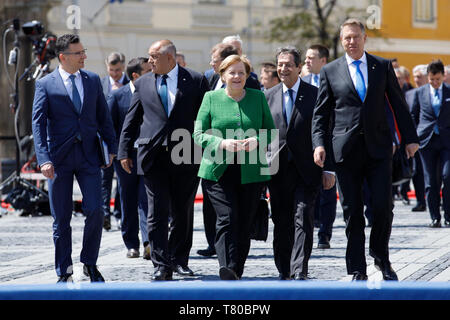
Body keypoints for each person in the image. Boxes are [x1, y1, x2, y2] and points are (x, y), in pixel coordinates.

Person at [311, 19, 419, 281]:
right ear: (341, 40)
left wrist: (410, 138)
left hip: (379, 148)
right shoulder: (331, 71)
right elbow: (321, 113)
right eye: (346, 38)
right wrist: (319, 144)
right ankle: (357, 267)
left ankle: (380, 255)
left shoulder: (381, 66)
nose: (351, 42)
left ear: (364, 38)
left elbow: (398, 103)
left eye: (355, 37)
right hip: (345, 151)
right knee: (352, 211)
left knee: (384, 207)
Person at [118, 40, 209, 281]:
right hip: (153, 156)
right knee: (156, 212)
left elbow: (206, 116)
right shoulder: (143, 82)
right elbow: (132, 118)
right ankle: (160, 264)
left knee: (182, 211)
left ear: (170, 58)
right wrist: (124, 151)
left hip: (186, 153)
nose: (150, 62)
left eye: (154, 57)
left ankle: (180, 260)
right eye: (149, 57)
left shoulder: (196, 80)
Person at [32, 33, 117, 283]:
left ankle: (89, 263)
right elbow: (37, 125)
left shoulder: (92, 80)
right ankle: (64, 269)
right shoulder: (45, 84)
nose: (84, 56)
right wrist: (43, 158)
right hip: (58, 159)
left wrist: (111, 147)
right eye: (79, 53)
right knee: (61, 218)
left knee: (96, 210)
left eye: (83, 51)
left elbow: (104, 117)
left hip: (89, 156)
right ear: (63, 57)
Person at [193, 54, 275, 280]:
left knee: (244, 222)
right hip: (217, 171)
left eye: (241, 72)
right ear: (223, 75)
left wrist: (257, 141)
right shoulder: (210, 98)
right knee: (227, 217)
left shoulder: (258, 97)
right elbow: (198, 134)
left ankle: (236, 269)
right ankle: (226, 265)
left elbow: (270, 130)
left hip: (251, 172)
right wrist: (221, 143)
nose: (237, 76)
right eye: (232, 72)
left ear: (247, 75)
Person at [265, 46, 335, 280]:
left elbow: (327, 131)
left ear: (298, 67)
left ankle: (299, 270)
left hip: (307, 169)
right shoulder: (268, 96)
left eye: (288, 64)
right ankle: (284, 269)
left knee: (303, 217)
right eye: (280, 64)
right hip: (277, 171)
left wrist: (329, 168)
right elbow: (262, 134)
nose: (283, 68)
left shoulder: (315, 94)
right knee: (282, 222)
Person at [107, 57, 152, 259]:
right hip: (125, 157)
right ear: (135, 75)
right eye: (147, 71)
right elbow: (109, 127)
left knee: (146, 199)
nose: (152, 74)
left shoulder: (153, 93)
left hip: (147, 155)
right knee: (127, 199)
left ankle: (148, 242)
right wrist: (118, 152)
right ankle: (131, 243)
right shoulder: (118, 96)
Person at [302, 44, 337, 250]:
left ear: (323, 60)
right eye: (306, 57)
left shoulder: (334, 80)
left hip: (329, 143)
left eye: (311, 58)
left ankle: (325, 234)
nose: (307, 61)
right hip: (306, 146)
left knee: (328, 191)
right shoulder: (302, 82)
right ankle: (309, 229)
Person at [411, 59, 450, 228]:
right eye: (432, 79)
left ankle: (448, 215)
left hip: (446, 141)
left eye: (438, 79)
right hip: (426, 142)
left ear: (443, 76)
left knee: (447, 177)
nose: (434, 83)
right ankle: (435, 217)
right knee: (430, 181)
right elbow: (413, 116)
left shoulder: (449, 92)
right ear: (428, 77)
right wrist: (411, 139)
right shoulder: (420, 93)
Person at [101, 52, 130, 231]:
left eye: (118, 70)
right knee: (104, 179)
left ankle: (119, 214)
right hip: (104, 140)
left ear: (124, 67)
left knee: (122, 181)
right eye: (111, 70)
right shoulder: (101, 84)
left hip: (122, 141)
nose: (114, 74)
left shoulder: (131, 84)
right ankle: (105, 215)